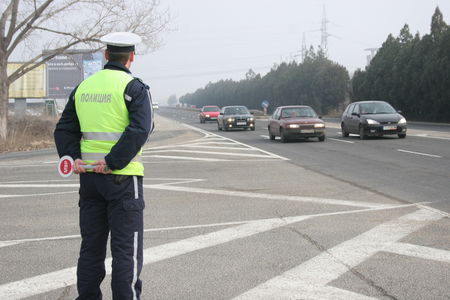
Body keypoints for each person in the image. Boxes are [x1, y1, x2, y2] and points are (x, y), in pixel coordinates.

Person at [54, 31, 153, 300]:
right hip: (123, 179)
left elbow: (63, 130)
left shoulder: (83, 88)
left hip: (88, 179)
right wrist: (111, 163)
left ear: (105, 55)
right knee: (125, 252)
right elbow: (140, 130)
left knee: (91, 248)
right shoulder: (134, 88)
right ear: (132, 57)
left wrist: (74, 158)